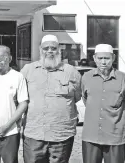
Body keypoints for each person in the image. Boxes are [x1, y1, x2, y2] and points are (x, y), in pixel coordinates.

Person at [20, 34, 82, 163]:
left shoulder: (71, 72)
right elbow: (19, 98)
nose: (49, 51)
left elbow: (77, 97)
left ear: (59, 50)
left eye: (53, 48)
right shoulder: (28, 70)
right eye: (46, 48)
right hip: (34, 134)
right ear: (40, 50)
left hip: (62, 135)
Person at [81, 44, 125, 163]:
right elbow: (86, 100)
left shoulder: (124, 79)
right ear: (94, 58)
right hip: (91, 136)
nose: (103, 62)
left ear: (113, 58)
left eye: (107, 58)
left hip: (115, 136)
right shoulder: (86, 78)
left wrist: (116, 118)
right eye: (100, 58)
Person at [0, 45, 29, 163]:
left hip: (10, 131)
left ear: (10, 58)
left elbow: (23, 103)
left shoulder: (18, 77)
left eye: (2, 56)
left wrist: (7, 126)